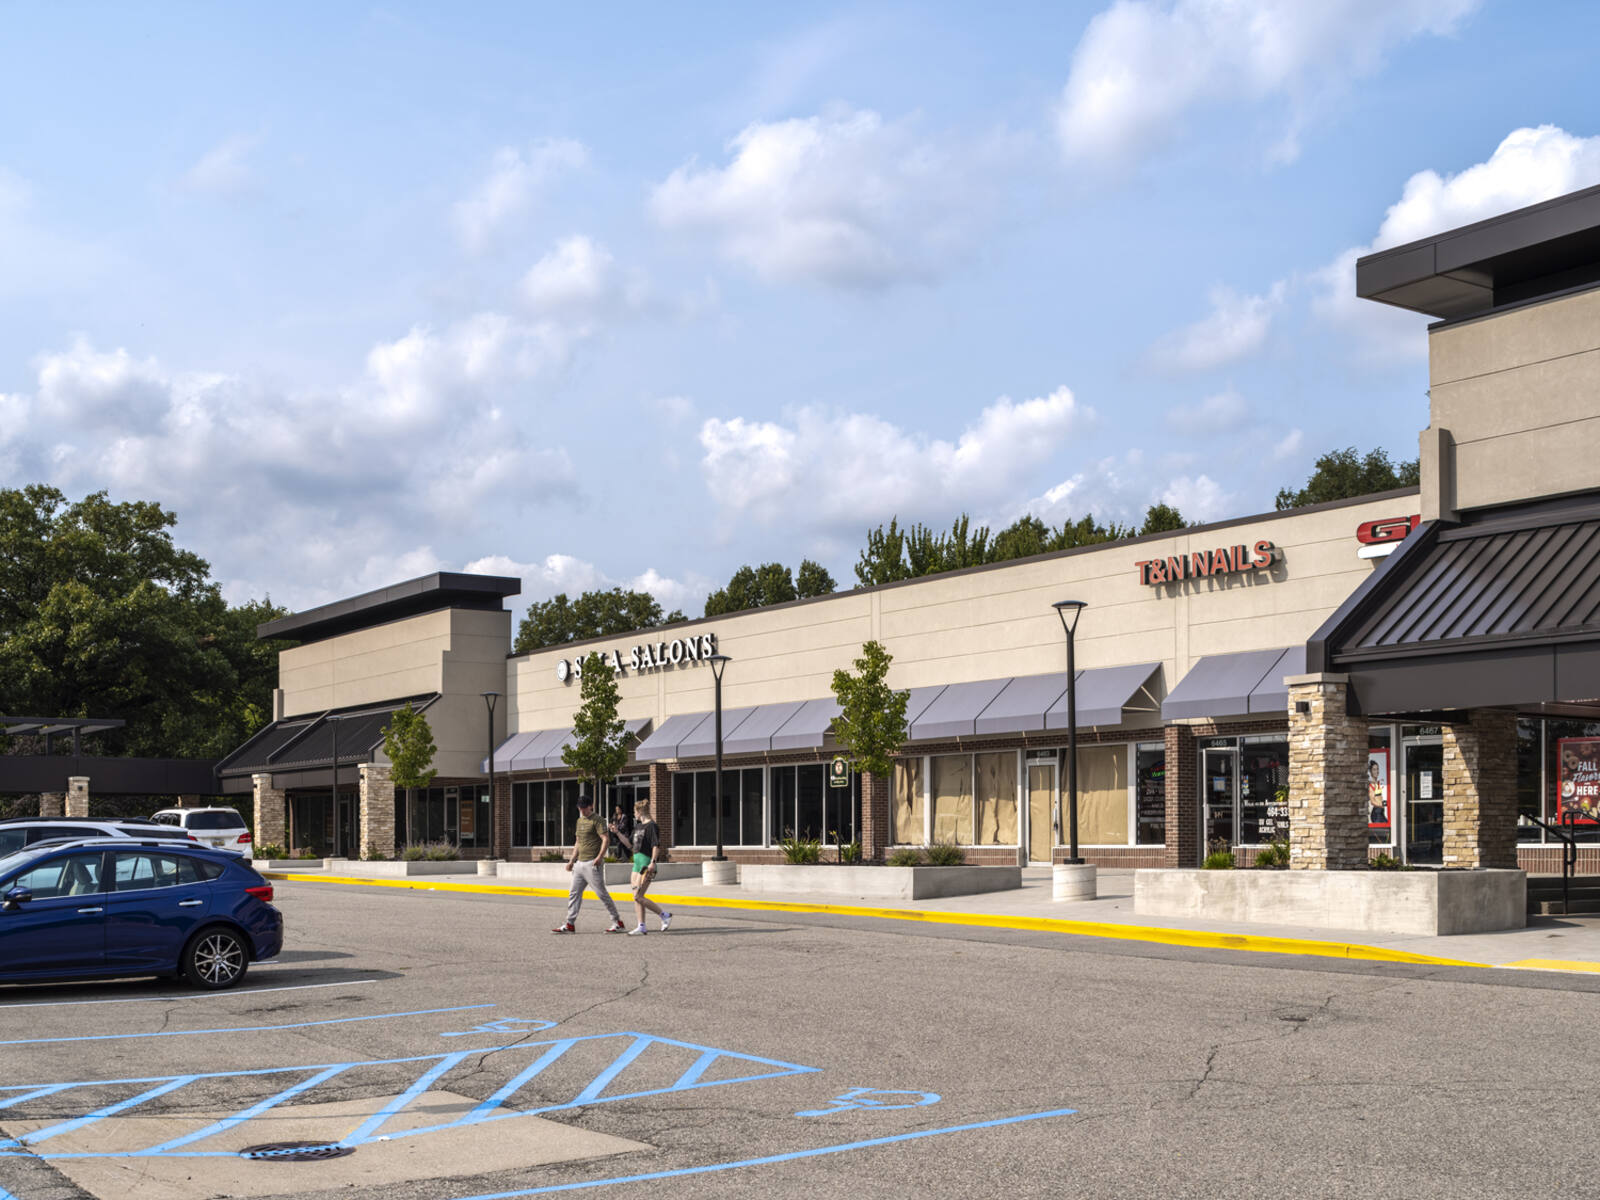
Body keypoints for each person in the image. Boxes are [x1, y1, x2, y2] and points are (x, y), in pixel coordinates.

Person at [551, 794, 626, 934]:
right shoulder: (579, 821)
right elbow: (578, 842)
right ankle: (569, 924)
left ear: (591, 806)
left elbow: (605, 839)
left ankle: (617, 922)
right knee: (573, 893)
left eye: (584, 808)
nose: (582, 810)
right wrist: (571, 861)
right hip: (580, 864)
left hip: (592, 863)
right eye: (580, 808)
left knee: (602, 894)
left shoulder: (598, 820)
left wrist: (600, 857)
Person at [622, 798, 672, 936]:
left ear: (639, 811)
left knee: (638, 896)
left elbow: (656, 845)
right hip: (636, 863)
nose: (634, 815)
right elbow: (629, 844)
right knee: (636, 897)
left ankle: (664, 915)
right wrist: (617, 833)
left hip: (646, 863)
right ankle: (641, 926)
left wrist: (653, 862)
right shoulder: (638, 827)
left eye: (634, 812)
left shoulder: (652, 826)